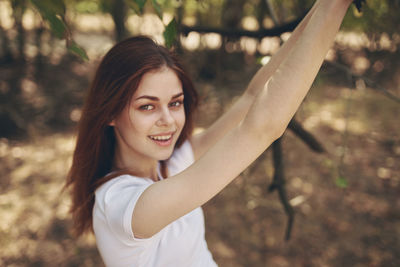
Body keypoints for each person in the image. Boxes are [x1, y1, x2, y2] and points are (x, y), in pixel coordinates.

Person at [66, 0, 354, 266]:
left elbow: (252, 97)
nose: (168, 120)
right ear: (110, 113)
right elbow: (261, 129)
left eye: (175, 103)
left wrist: (322, 9)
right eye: (147, 107)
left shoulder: (172, 162)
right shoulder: (122, 205)